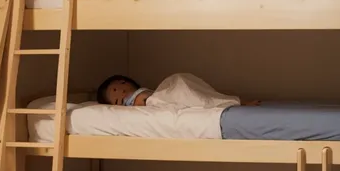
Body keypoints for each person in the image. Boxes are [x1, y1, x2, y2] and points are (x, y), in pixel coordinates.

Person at [97, 74, 260, 107]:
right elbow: (148, 101)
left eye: (118, 88)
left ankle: (229, 100)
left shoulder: (142, 90)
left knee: (179, 81)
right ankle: (233, 102)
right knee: (181, 90)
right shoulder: (132, 101)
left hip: (161, 93)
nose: (122, 95)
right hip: (156, 99)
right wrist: (147, 100)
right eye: (118, 100)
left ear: (124, 81)